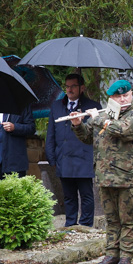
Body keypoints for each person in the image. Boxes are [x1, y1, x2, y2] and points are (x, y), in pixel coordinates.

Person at [71, 80, 133, 264]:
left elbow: (123, 130)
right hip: (105, 175)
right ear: (111, 98)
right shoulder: (107, 114)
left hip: (127, 176)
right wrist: (78, 125)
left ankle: (126, 257)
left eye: (125, 95)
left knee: (127, 219)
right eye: (117, 96)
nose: (122, 99)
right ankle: (111, 255)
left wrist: (96, 119)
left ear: (131, 95)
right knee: (111, 220)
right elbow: (89, 137)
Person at [46, 73, 101, 227]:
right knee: (68, 195)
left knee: (86, 194)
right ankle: (70, 223)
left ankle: (85, 224)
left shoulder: (92, 107)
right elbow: (51, 132)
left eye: (73, 86)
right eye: (67, 86)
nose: (69, 90)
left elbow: (98, 133)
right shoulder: (57, 106)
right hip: (63, 157)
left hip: (84, 156)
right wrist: (51, 156)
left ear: (81, 88)